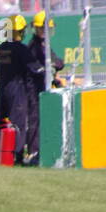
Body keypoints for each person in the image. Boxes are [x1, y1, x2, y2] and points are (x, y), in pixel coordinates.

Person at [0, 15, 41, 165]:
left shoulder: (1, 48)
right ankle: (16, 156)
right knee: (17, 123)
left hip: (2, 89)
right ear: (20, 31)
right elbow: (35, 69)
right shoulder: (22, 49)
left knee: (1, 122)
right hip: (17, 89)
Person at [24, 12, 65, 165]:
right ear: (37, 29)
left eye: (47, 29)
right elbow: (34, 67)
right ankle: (33, 152)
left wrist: (55, 65)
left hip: (43, 87)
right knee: (34, 119)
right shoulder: (34, 46)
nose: (45, 32)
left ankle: (42, 149)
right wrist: (46, 68)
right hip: (33, 88)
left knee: (43, 119)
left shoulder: (44, 45)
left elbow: (58, 62)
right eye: (43, 29)